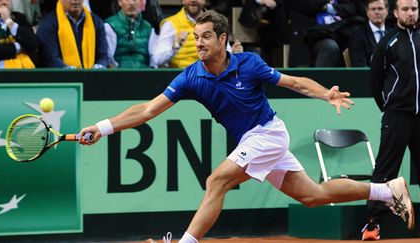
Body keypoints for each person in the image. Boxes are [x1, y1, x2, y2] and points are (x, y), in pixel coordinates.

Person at [79, 10, 414, 243]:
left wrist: (326, 93)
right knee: (313, 196)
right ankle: (387, 190)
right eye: (195, 37)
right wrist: (103, 126)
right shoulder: (190, 77)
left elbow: (294, 82)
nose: (199, 43)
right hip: (255, 141)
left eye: (206, 37)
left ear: (223, 39)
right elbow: (148, 110)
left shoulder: (249, 64)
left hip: (267, 133)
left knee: (216, 181)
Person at [362, 0, 419, 240]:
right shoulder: (386, 43)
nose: (410, 13)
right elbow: (376, 83)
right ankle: (372, 224)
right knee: (385, 170)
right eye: (405, 9)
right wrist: (389, 106)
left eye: (414, 9)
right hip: (396, 115)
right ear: (395, 13)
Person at [152, 0, 242, 68]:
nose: (193, 0)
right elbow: (157, 60)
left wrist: (233, 55)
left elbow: (225, 54)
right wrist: (176, 45)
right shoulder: (170, 24)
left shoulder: (216, 22)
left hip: (211, 76)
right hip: (181, 78)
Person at [36, 0, 108, 68]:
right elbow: (51, 58)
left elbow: (103, 56)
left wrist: (97, 69)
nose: (75, 0)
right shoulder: (47, 24)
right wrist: (73, 74)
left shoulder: (96, 22)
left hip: (91, 76)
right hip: (61, 78)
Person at [105, 0, 155, 68]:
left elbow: (154, 60)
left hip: (145, 74)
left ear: (141, 2)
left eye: (135, 0)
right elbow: (108, 59)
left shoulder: (148, 28)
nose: (131, 3)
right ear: (120, 2)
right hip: (118, 74)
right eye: (127, 0)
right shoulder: (110, 25)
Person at [0, 0, 38, 68]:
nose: (4, 2)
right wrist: (18, 47)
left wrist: (10, 23)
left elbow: (33, 43)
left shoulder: (19, 17)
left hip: (27, 69)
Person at [349, 0, 391, 67]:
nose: (376, 12)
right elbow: (360, 68)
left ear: (387, 11)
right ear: (367, 12)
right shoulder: (357, 37)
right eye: (373, 9)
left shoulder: (393, 35)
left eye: (380, 9)